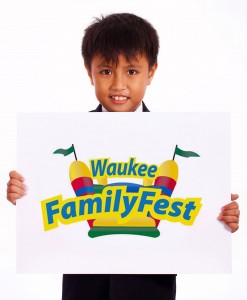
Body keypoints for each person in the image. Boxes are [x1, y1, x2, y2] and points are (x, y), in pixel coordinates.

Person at [6, 13, 240, 300]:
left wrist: (219, 218)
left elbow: (194, 224)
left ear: (151, 72)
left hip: (150, 289)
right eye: (105, 71)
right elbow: (43, 208)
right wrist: (25, 193)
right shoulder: (62, 142)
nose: (118, 84)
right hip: (84, 289)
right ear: (88, 71)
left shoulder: (179, 143)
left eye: (131, 71)